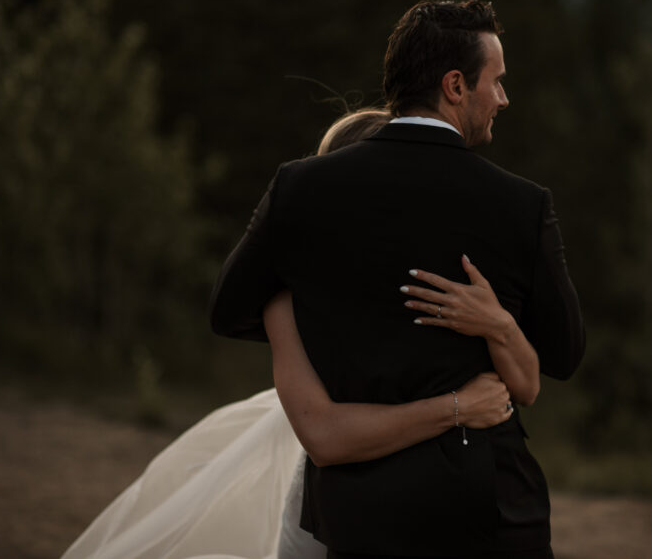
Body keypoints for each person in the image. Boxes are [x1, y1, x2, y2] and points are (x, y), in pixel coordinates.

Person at [61, 109, 537, 559]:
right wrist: (458, 408)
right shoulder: (287, 295)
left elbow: (525, 386)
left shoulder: (440, 280)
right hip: (339, 512)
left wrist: (498, 324)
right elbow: (325, 438)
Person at [210, 0, 585, 558]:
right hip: (489, 508)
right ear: (455, 85)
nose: (503, 98)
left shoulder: (301, 188)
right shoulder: (521, 205)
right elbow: (564, 354)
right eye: (497, 82)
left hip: (361, 512)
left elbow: (227, 308)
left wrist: (316, 301)